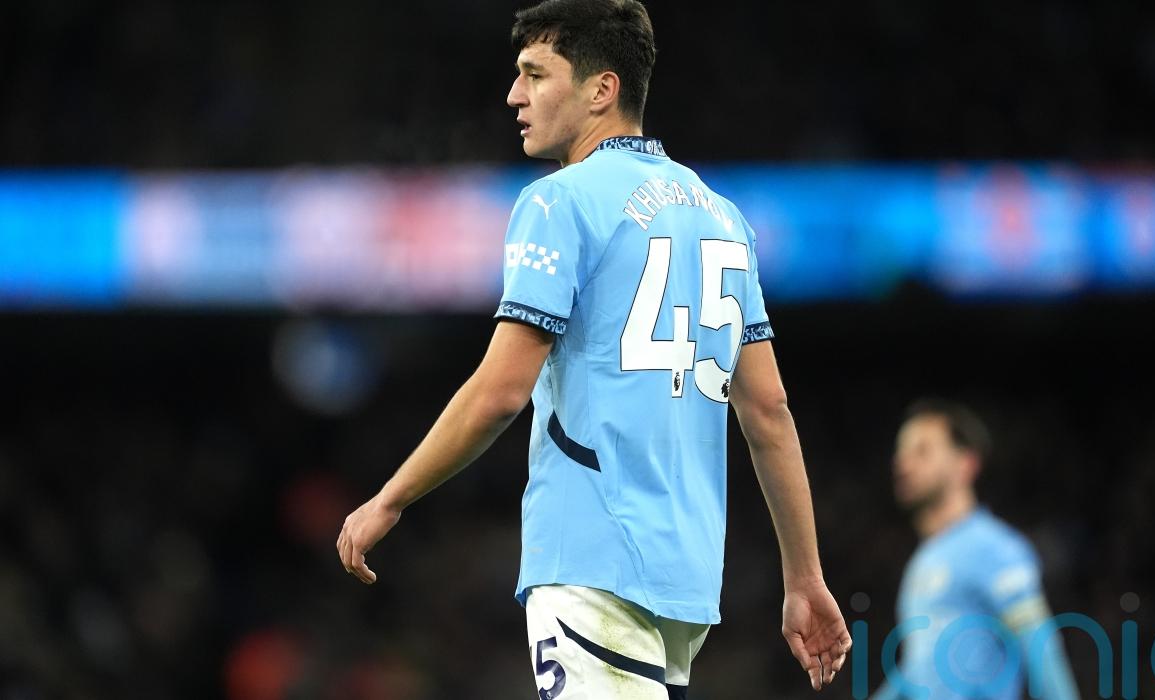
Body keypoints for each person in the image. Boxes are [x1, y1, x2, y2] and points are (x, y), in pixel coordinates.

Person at [337, 0, 850, 696]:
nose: (513, 95)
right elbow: (768, 410)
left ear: (601, 89)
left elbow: (500, 392)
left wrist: (391, 498)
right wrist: (805, 577)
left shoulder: (559, 202)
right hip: (686, 581)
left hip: (590, 560)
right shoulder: (724, 218)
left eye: (535, 74)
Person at [874, 399, 1079, 700]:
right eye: (901, 452)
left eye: (922, 451)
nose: (903, 463)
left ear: (966, 464)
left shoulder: (995, 548)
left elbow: (1041, 646)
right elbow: (918, 669)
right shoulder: (923, 561)